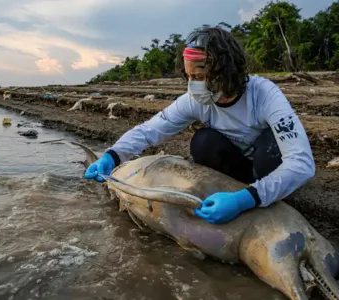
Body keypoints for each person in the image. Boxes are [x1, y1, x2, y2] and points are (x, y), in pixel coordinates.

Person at [85, 26, 315, 224]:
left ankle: (262, 193)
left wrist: (246, 199)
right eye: (190, 78)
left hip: (264, 164)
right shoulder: (196, 101)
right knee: (203, 142)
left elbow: (301, 164)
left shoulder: (264, 95)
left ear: (226, 71)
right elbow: (151, 130)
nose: (194, 85)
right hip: (236, 166)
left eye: (201, 76)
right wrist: (113, 155)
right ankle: (233, 192)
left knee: (271, 147)